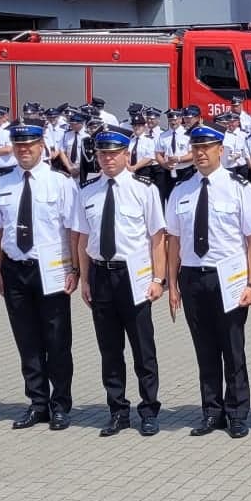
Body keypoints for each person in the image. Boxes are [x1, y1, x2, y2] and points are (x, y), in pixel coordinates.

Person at [164, 125, 251, 437]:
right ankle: (211, 412)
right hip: (193, 276)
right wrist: (172, 284)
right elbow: (173, 241)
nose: (201, 153)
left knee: (233, 348)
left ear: (221, 150)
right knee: (204, 350)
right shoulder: (181, 190)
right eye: (196, 148)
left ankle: (237, 413)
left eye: (207, 147)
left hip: (228, 277)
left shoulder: (239, 187)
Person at [71, 125, 166, 437]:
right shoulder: (87, 191)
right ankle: (117, 411)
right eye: (103, 154)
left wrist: (158, 278)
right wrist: (85, 279)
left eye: (114, 153)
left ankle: (149, 410)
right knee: (110, 349)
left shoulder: (144, 189)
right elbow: (83, 239)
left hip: (133, 275)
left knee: (143, 348)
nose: (108, 159)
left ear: (127, 155)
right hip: (101, 274)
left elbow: (157, 238)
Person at [0, 123, 79, 431]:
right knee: (26, 340)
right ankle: (37, 403)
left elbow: (73, 230)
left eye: (30, 144)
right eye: (19, 145)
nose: (24, 150)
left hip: (51, 269)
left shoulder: (60, 182)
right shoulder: (1, 183)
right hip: (15, 268)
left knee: (57, 339)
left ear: (42, 146)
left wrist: (74, 269)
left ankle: (60, 404)